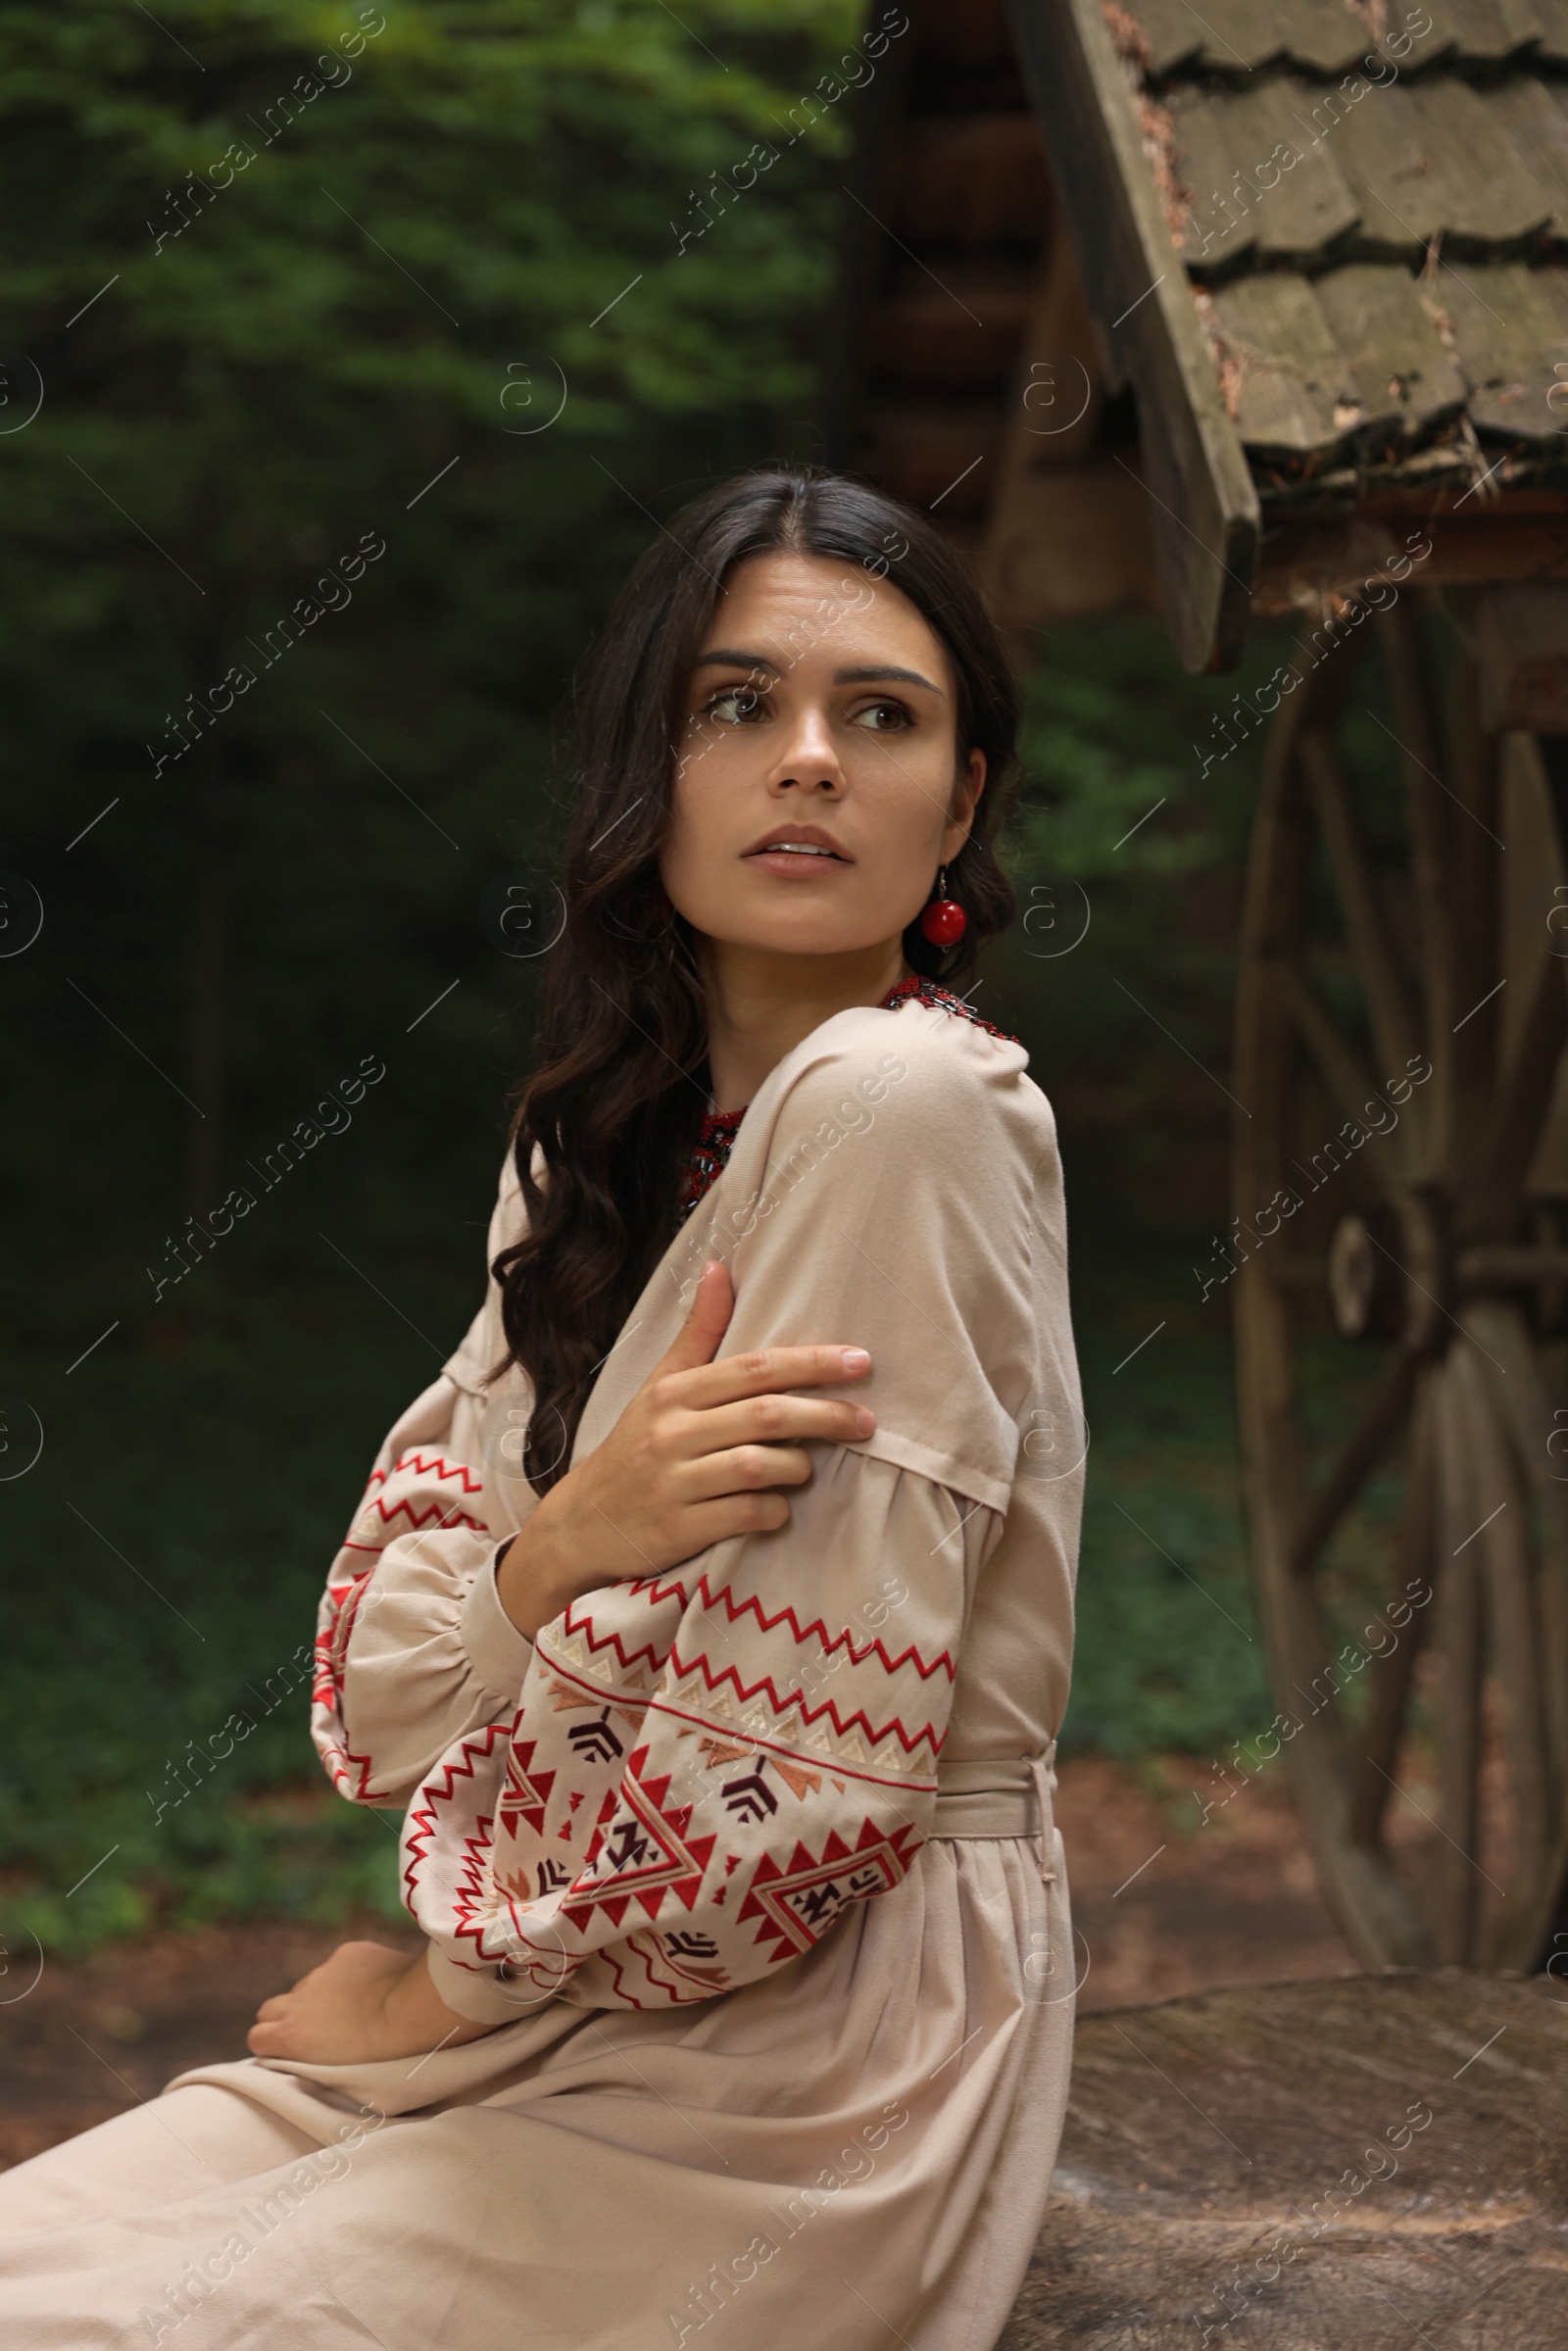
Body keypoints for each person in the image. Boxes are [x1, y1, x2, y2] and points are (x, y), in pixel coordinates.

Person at [0, 468, 1085, 2348]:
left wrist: (433, 2001)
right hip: (582, 1980)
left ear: (961, 803)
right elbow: (388, 1687)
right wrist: (571, 1544)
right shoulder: (587, 1153)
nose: (808, 761)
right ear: (644, 772)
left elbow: (791, 1812)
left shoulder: (903, 1109)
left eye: (880, 716)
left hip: (815, 2067)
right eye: (735, 706)